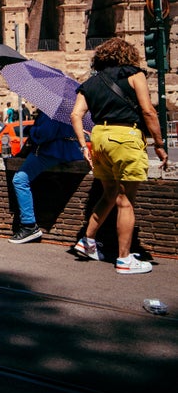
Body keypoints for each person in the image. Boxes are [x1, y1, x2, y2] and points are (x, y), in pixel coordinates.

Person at [70, 37, 167, 274]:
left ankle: (87, 241)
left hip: (99, 137)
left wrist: (84, 145)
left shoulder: (90, 83)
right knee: (126, 200)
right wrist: (159, 143)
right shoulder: (135, 74)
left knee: (109, 193)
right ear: (128, 55)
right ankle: (124, 259)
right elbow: (148, 110)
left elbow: (75, 115)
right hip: (125, 136)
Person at [7, 110, 82, 244]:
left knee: (20, 180)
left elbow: (45, 133)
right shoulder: (69, 107)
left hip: (51, 150)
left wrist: (32, 130)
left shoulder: (52, 109)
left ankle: (29, 226)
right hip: (70, 151)